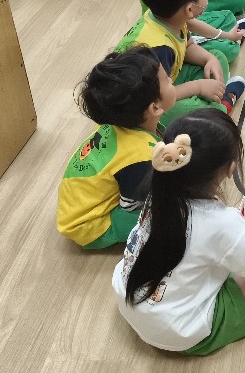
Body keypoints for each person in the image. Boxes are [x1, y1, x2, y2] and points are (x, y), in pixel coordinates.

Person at [112, 110, 245, 355]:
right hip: (178, 331)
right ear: (230, 168)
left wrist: (238, 232)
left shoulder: (159, 193)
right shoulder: (221, 222)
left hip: (129, 298)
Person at [57, 48, 176, 249]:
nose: (171, 80)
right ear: (154, 108)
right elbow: (130, 205)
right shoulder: (139, 157)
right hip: (89, 226)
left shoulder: (117, 123)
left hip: (77, 204)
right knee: (171, 213)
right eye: (167, 80)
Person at [116, 0, 245, 129]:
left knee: (217, 58)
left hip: (167, 83)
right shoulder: (159, 48)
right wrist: (198, 87)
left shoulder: (168, 17)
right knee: (199, 111)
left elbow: (188, 45)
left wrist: (209, 59)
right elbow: (159, 100)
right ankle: (221, 106)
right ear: (190, 9)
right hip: (146, 107)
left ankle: (213, 99)